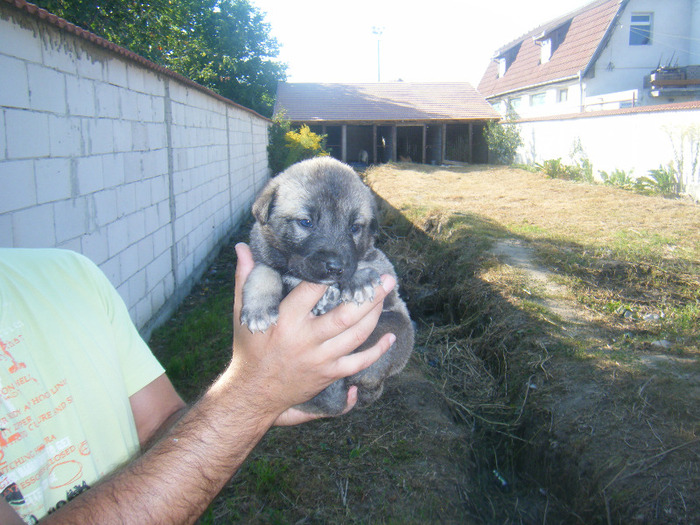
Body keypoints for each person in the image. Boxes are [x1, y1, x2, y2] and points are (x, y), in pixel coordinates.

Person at [0, 244, 395, 524]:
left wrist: (248, 400)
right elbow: (244, 402)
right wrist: (250, 399)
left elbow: (161, 423)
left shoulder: (69, 275)